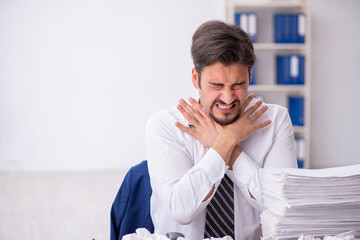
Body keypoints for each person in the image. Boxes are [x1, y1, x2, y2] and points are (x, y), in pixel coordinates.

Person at [146, 20, 297, 240]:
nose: (227, 98)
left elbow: (282, 207)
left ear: (250, 77)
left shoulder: (275, 120)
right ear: (195, 78)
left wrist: (226, 145)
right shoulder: (165, 126)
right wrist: (226, 143)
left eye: (238, 85)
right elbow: (181, 211)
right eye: (216, 86)